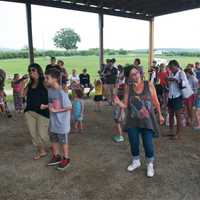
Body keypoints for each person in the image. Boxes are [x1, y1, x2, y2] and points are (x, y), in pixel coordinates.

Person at [114, 66, 164, 178]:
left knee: (148, 144)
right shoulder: (128, 87)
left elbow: (156, 101)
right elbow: (126, 104)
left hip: (147, 121)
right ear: (129, 77)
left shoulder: (149, 85)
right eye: (133, 74)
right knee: (134, 142)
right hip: (132, 121)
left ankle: (150, 164)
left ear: (140, 72)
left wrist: (160, 114)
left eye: (137, 73)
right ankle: (136, 161)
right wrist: (118, 102)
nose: (136, 75)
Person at [41, 69, 72, 170]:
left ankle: (66, 159)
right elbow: (52, 103)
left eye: (47, 78)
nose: (45, 80)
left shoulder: (61, 93)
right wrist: (46, 106)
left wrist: (56, 110)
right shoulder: (50, 90)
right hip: (53, 122)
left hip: (62, 124)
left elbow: (69, 107)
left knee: (63, 142)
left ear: (55, 79)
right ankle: (56, 156)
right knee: (53, 140)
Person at [24, 63, 50, 160]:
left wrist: (48, 105)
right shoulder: (30, 84)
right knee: (33, 135)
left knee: (43, 135)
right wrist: (23, 81)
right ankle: (41, 151)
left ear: (38, 71)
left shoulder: (44, 82)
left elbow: (53, 94)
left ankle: (53, 146)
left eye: (33, 70)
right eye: (29, 71)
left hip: (42, 112)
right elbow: (22, 95)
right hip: (29, 112)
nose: (31, 72)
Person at [167, 60, 192, 139]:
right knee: (170, 114)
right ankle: (171, 131)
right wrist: (168, 80)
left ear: (176, 66)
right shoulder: (171, 73)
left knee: (178, 116)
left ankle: (178, 134)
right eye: (170, 67)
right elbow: (170, 85)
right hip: (171, 96)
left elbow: (184, 84)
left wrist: (175, 80)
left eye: (172, 67)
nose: (170, 69)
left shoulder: (181, 73)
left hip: (178, 96)